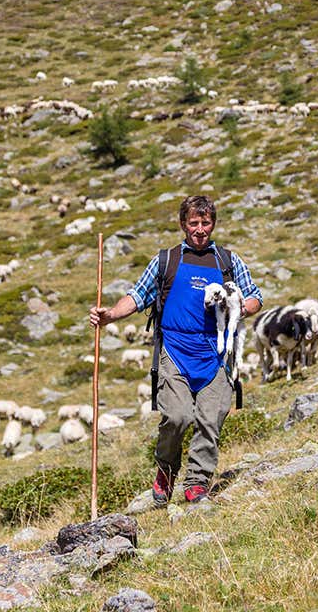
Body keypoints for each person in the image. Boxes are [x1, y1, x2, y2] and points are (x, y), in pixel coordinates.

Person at [89, 195, 261, 505]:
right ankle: (166, 470)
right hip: (175, 351)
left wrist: (239, 307)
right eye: (193, 223)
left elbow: (254, 297)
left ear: (213, 224)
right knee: (177, 417)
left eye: (205, 223)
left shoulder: (227, 261)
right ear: (183, 224)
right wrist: (111, 315)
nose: (199, 229)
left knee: (212, 419)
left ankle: (197, 481)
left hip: (217, 354)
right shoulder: (166, 261)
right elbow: (137, 296)